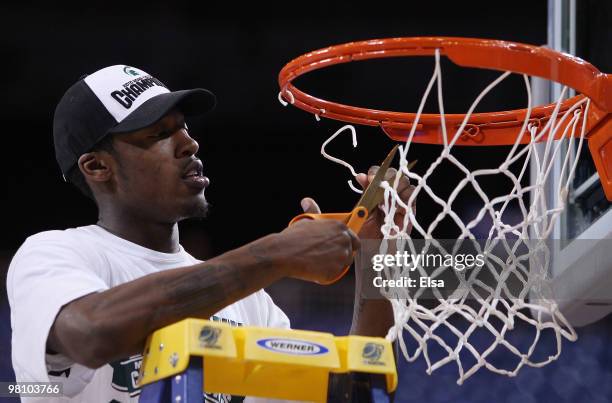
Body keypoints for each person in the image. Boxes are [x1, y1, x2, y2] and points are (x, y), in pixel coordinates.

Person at [7, 65, 413, 402]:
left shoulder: (251, 302)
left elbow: (351, 390)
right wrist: (273, 255)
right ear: (97, 167)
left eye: (183, 127)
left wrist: (380, 251)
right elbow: (90, 334)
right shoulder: (54, 254)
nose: (189, 143)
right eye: (158, 134)